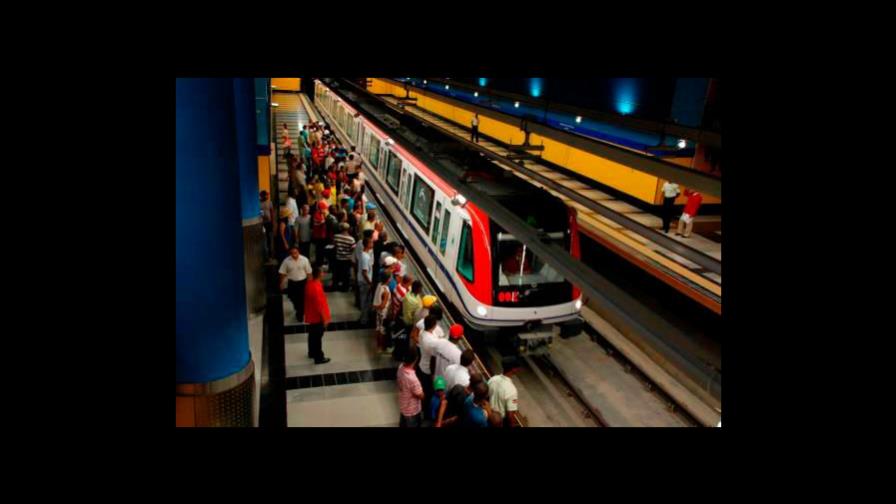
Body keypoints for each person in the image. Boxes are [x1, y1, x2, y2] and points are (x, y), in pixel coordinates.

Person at [304, 266, 332, 364]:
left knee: (312, 335)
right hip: (317, 317)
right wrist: (325, 319)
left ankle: (311, 352)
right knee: (317, 337)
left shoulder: (310, 284)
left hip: (311, 314)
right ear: (320, 274)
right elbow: (320, 305)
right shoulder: (317, 287)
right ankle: (318, 357)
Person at [279, 246, 312, 323]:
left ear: (298, 252)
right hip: (292, 283)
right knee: (293, 299)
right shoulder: (286, 261)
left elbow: (309, 273)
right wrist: (281, 283)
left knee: (301, 299)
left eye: (295, 253)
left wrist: (310, 283)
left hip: (302, 283)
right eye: (292, 253)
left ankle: (300, 314)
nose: (294, 255)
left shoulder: (304, 260)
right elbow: (282, 273)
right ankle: (298, 309)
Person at [417, 315, 440, 419]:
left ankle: (424, 408)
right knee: (428, 392)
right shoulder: (431, 342)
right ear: (434, 325)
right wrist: (433, 374)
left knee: (424, 389)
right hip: (427, 370)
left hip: (422, 365)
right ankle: (426, 412)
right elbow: (433, 360)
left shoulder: (422, 333)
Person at [487, 356, 521, 427]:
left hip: (488, 415)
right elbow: (510, 415)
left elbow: (486, 396)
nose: (519, 369)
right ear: (513, 369)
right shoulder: (512, 390)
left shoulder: (493, 379)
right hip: (499, 421)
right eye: (517, 367)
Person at [397, 349, 424, 427]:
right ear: (416, 359)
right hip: (412, 411)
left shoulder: (400, 367)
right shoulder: (412, 379)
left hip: (404, 405)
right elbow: (421, 395)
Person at [332, 223, 355, 291]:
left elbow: (334, 245)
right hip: (347, 259)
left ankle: (335, 286)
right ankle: (345, 287)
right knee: (346, 274)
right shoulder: (351, 239)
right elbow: (353, 249)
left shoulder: (336, 236)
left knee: (336, 273)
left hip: (338, 257)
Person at [373, 271, 392, 353]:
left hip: (378, 312)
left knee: (378, 328)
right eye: (390, 277)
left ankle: (378, 346)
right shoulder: (386, 291)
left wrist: (374, 307)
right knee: (382, 330)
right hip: (383, 313)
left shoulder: (379, 285)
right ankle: (381, 347)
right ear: (388, 280)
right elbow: (383, 306)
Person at [357, 237, 374, 325]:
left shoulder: (366, 255)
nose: (372, 244)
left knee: (366, 301)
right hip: (365, 283)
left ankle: (364, 318)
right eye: (371, 242)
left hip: (365, 282)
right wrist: (370, 283)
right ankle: (363, 320)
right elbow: (364, 272)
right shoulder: (365, 257)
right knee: (364, 302)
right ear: (367, 244)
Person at [311, 201, 329, 266]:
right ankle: (319, 263)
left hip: (322, 235)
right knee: (319, 250)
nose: (325, 210)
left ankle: (321, 261)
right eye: (324, 208)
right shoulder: (316, 214)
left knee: (321, 249)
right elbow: (319, 223)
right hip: (318, 236)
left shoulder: (321, 214)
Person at [260, 190, 274, 261]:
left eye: (267, 195)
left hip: (269, 223)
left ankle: (270, 255)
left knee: (269, 239)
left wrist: (272, 222)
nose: (267, 196)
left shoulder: (269, 202)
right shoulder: (259, 203)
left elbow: (272, 212)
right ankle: (264, 255)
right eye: (265, 195)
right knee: (263, 238)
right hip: (262, 223)